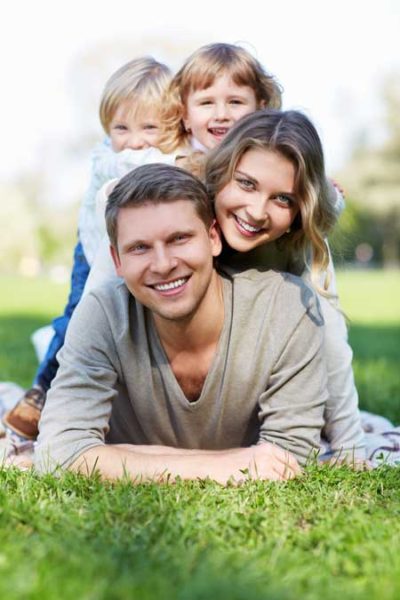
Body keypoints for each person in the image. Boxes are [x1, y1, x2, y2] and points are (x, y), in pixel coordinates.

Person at [35, 163, 328, 483]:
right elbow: (57, 454)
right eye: (139, 248)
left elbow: (291, 457)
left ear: (213, 238)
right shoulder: (103, 312)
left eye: (179, 239)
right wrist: (223, 465)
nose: (162, 265)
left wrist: (118, 457)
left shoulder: (284, 307)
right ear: (117, 261)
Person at [3, 56, 174, 444]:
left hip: (131, 251)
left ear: (169, 125)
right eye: (121, 127)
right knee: (77, 319)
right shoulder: (115, 158)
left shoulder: (149, 156)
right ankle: (43, 390)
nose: (134, 139)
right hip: (94, 252)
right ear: (106, 128)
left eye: (149, 127)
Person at [204, 109, 365, 460]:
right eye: (246, 183)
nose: (257, 211)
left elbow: (330, 337)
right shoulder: (186, 211)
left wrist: (350, 444)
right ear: (220, 173)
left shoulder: (296, 244)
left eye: (282, 199)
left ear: (299, 210)